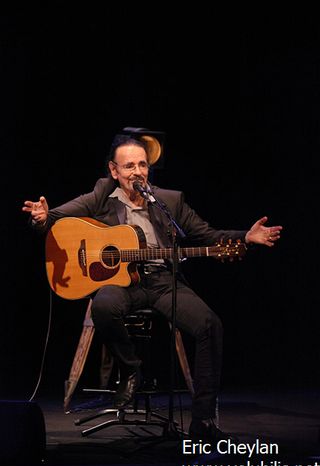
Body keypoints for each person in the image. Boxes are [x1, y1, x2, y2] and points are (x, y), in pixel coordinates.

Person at [22, 127, 282, 442]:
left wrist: (244, 237)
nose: (138, 172)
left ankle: (203, 422)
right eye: (129, 166)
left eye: (142, 165)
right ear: (114, 171)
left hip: (162, 281)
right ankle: (132, 368)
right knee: (103, 304)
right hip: (121, 283)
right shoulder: (102, 195)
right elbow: (56, 219)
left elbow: (205, 234)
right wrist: (40, 218)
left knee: (210, 325)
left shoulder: (169, 201)